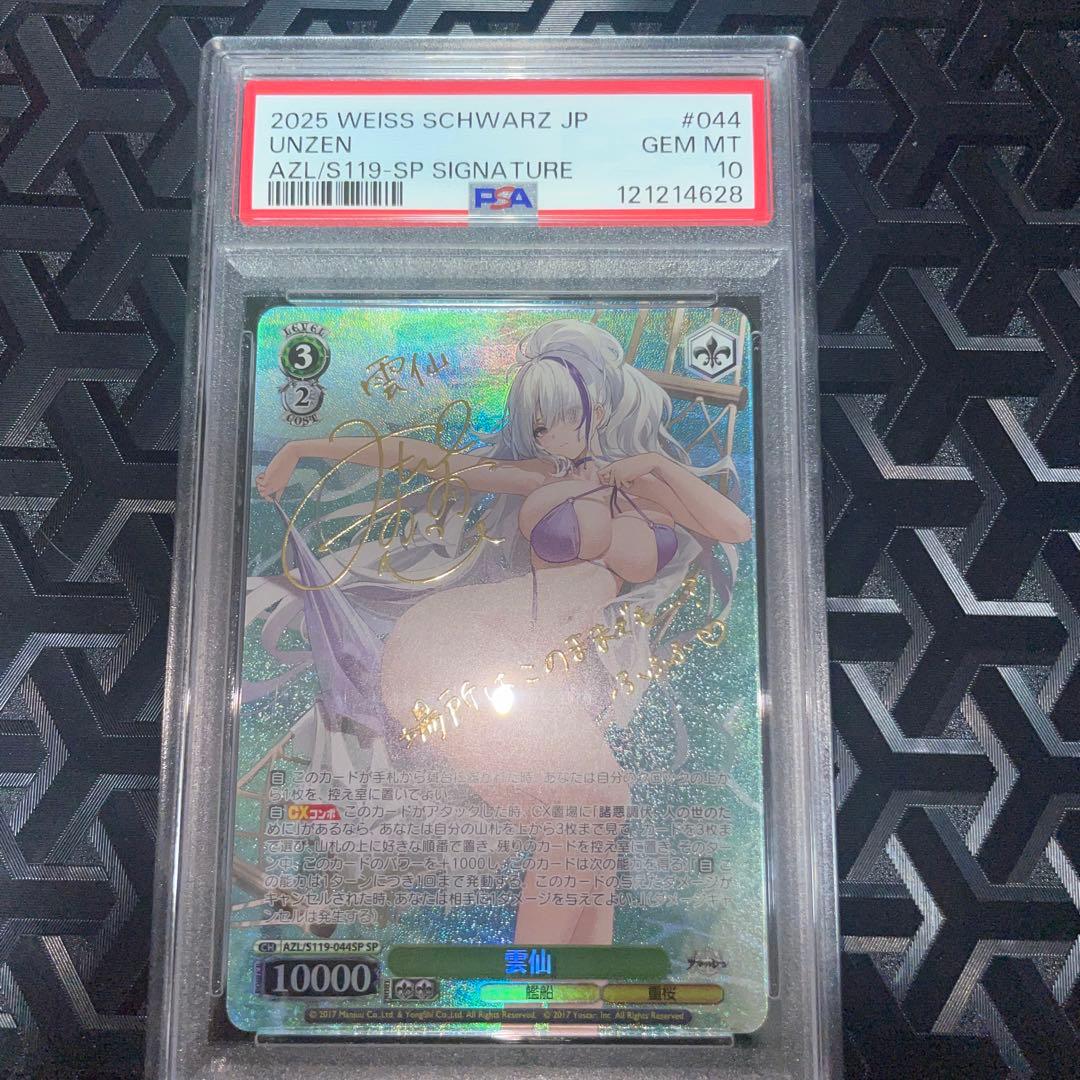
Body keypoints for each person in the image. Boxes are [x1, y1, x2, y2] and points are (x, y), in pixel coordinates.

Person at [248, 317, 750, 954]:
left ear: (599, 406)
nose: (551, 436)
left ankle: (582, 991)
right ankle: (534, 987)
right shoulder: (542, 479)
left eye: (562, 417)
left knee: (594, 815)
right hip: (454, 649)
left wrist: (653, 465)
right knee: (589, 809)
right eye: (539, 425)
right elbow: (431, 462)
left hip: (526, 669)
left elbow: (734, 527)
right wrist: (301, 448)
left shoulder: (646, 483)